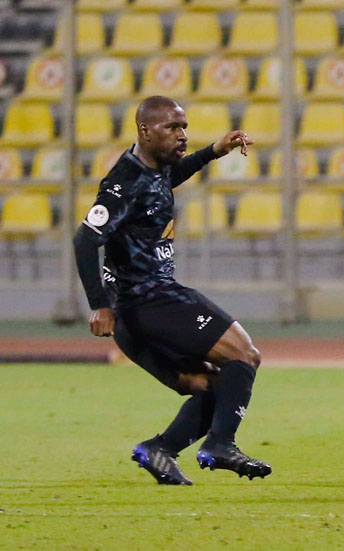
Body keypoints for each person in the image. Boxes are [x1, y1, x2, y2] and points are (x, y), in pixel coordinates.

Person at [73, 96, 271, 485]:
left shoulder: (153, 171)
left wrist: (214, 151)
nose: (181, 135)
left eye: (184, 128)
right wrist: (99, 306)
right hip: (151, 300)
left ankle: (160, 449)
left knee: (211, 385)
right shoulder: (123, 185)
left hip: (136, 316)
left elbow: (167, 179)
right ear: (145, 131)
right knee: (245, 354)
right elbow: (84, 240)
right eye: (173, 127)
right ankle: (221, 444)